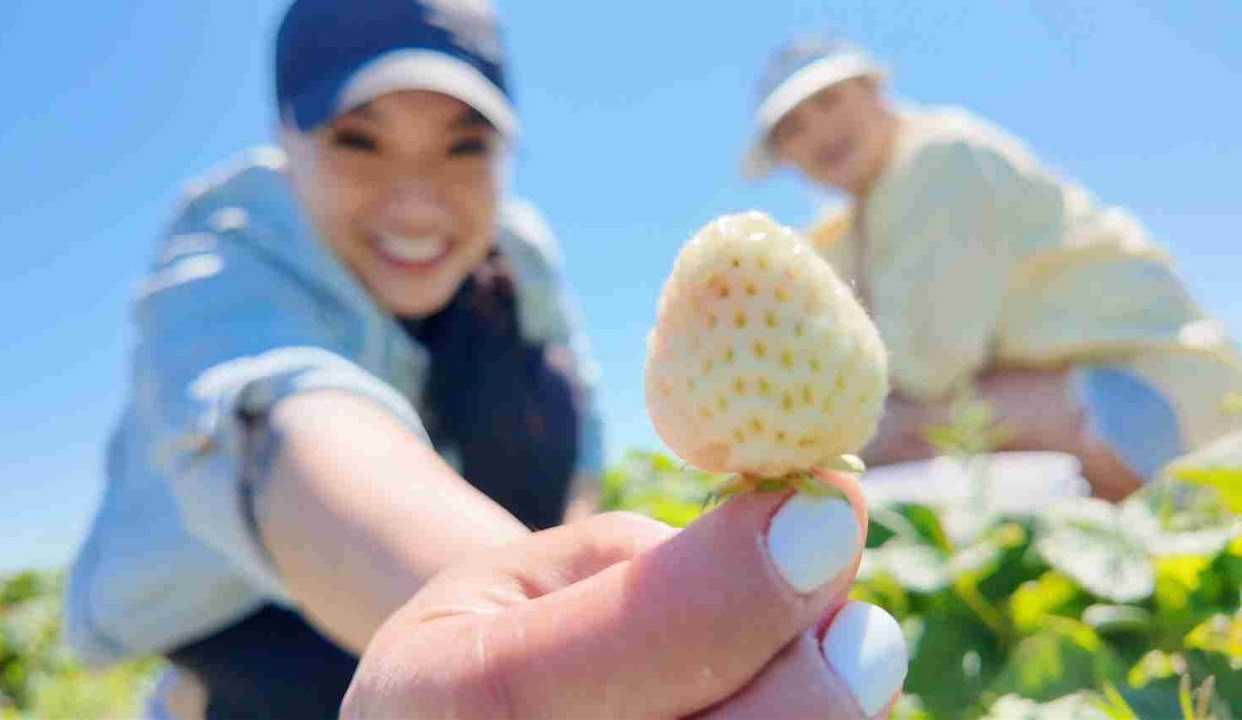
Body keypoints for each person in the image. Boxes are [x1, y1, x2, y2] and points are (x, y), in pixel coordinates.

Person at [65, 0, 606, 715]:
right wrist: (572, 658)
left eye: (464, 146)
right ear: (283, 135)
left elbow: (580, 436)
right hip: (239, 609)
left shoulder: (520, 254)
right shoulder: (228, 248)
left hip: (434, 558)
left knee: (533, 376)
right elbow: (304, 435)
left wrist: (576, 578)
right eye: (358, 140)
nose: (416, 207)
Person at [742, 36, 1242, 501]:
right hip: (1091, 405)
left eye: (830, 102)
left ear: (875, 91)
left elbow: (929, 366)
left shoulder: (939, 159)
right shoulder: (858, 223)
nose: (819, 132)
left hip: (1160, 405)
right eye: (793, 130)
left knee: (875, 436)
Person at [342, 476, 910, 719]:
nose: (421, 216)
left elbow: (573, 516)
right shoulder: (262, 269)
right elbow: (301, 430)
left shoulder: (538, 304)